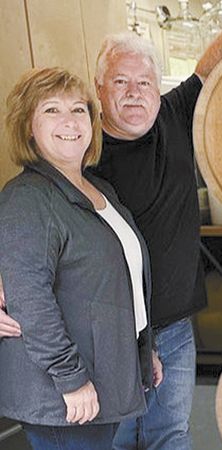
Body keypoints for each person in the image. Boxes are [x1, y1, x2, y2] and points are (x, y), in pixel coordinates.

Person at [89, 20, 222, 449]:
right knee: (115, 440)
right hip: (112, 335)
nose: (134, 92)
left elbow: (204, 71)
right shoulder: (83, 153)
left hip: (175, 329)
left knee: (171, 434)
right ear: (99, 87)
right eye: (121, 81)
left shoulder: (173, 116)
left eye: (145, 81)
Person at [0, 67, 162, 450]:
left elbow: (119, 281)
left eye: (78, 110)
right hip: (64, 393)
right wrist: (70, 378)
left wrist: (144, 349)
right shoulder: (28, 198)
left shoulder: (98, 189)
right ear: (29, 128)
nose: (69, 121)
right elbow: (31, 300)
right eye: (51, 111)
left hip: (103, 376)